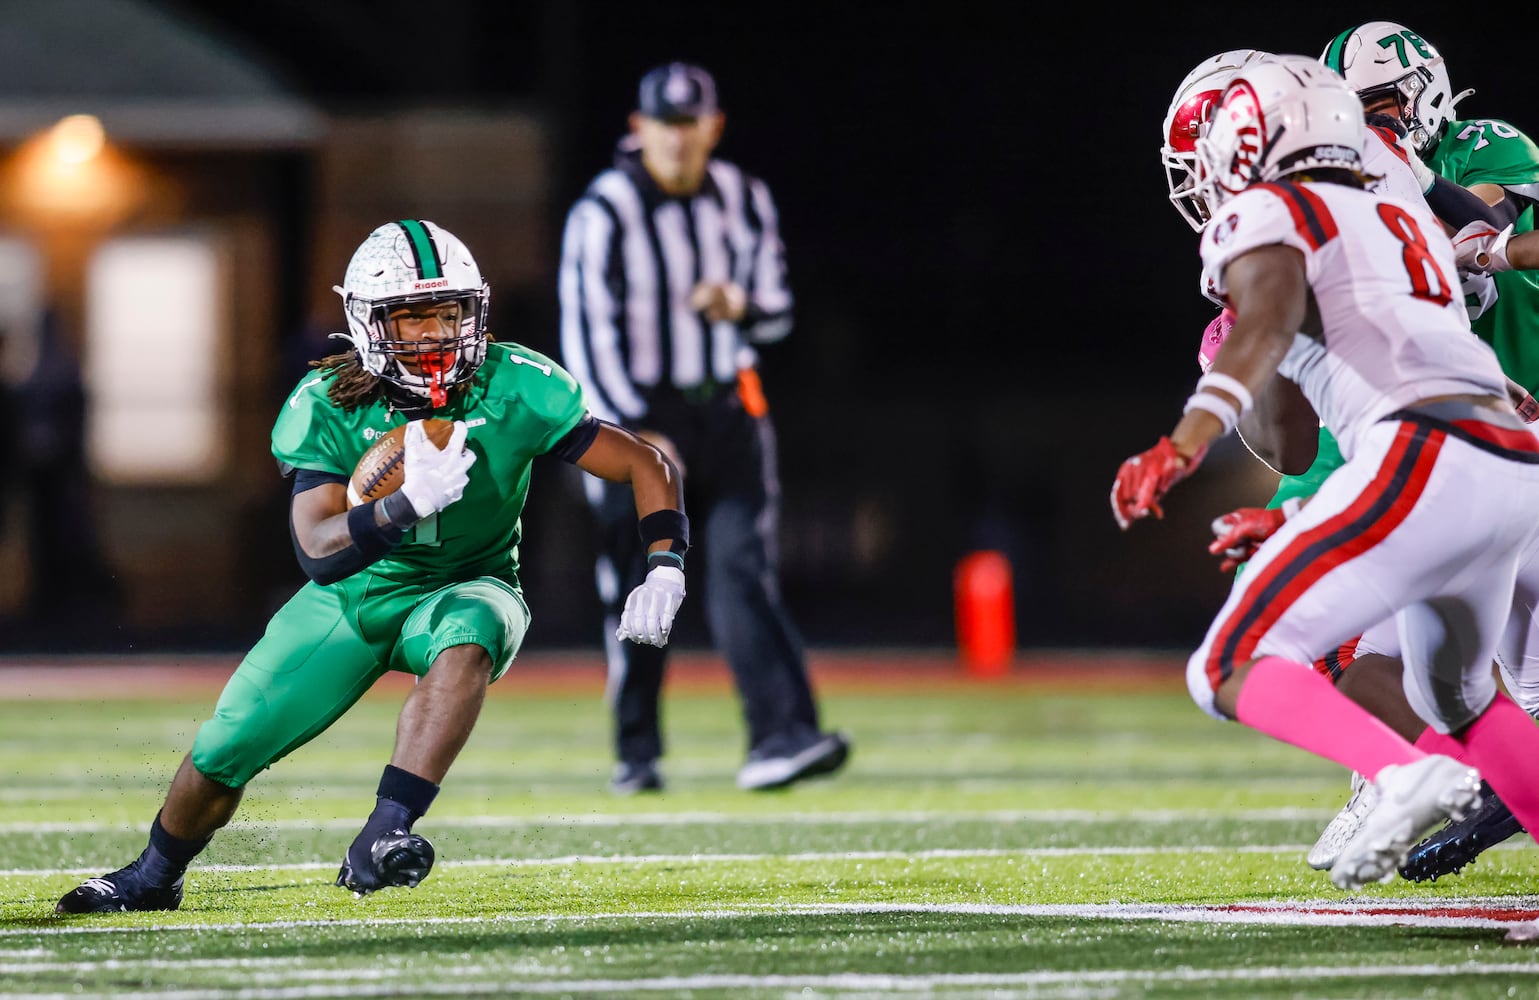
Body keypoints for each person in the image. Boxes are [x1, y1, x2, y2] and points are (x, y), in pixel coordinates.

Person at [55, 220, 690, 913]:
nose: (430, 336)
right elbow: (316, 551)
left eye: (445, 315)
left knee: (471, 630)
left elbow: (643, 462)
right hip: (353, 596)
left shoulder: (518, 384)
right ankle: (154, 876)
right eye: (409, 318)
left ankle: (386, 834)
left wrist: (665, 565)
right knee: (223, 750)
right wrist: (404, 505)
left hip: (467, 580)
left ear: (473, 311)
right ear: (365, 322)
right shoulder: (326, 401)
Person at [1113, 54, 1539, 890]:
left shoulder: (1267, 210)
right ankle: (1425, 766)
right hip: (1508, 457)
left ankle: (1402, 774)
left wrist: (1184, 441)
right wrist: (1299, 516)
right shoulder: (1406, 216)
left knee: (1225, 665)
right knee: (1461, 699)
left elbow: (1283, 399)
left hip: (1425, 455)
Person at [557, 61, 849, 794]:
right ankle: (637, 749)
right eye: (666, 124)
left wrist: (739, 303)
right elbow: (586, 335)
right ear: (639, 128)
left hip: (727, 412)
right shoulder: (604, 211)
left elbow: (779, 310)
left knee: (741, 572)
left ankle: (782, 737)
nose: (678, 140)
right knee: (640, 586)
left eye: (691, 125)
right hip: (637, 420)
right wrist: (635, 433)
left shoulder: (742, 198)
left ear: (712, 128)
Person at [1317, 20, 1539, 880]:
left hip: (1513, 423)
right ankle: (1403, 774)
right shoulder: (1351, 180)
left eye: (1381, 105)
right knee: (1375, 656)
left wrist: (1411, 187)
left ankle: (1468, 782)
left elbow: (1484, 221)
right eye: (1354, 111)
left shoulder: (1481, 145)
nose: (1370, 124)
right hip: (1452, 433)